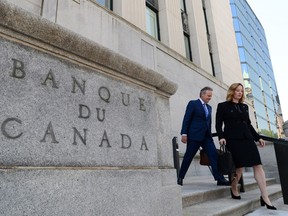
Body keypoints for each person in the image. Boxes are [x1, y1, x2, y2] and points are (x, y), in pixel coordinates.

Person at [215, 83, 276, 210]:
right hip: (233, 139)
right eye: (237, 90)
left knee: (258, 165)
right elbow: (218, 124)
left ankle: (265, 197)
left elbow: (248, 124)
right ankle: (233, 187)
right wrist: (221, 137)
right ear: (232, 91)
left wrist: (258, 137)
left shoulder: (244, 107)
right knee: (239, 168)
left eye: (241, 91)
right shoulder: (223, 106)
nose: (240, 93)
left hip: (247, 139)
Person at [177, 87, 229, 186]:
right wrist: (184, 133)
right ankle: (180, 177)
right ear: (202, 94)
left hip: (206, 137)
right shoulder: (193, 103)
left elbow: (208, 123)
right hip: (194, 136)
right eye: (209, 96)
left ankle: (219, 178)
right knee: (188, 157)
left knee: (214, 155)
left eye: (211, 96)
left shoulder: (209, 107)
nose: (210, 98)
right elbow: (186, 118)